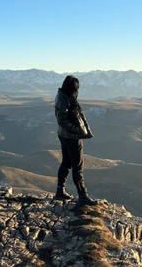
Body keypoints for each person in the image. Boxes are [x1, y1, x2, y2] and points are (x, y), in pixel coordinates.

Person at [54, 75, 98, 205]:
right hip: (71, 137)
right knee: (77, 166)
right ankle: (82, 195)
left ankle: (60, 191)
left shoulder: (63, 96)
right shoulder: (64, 99)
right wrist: (77, 130)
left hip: (64, 135)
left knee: (66, 163)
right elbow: (62, 120)